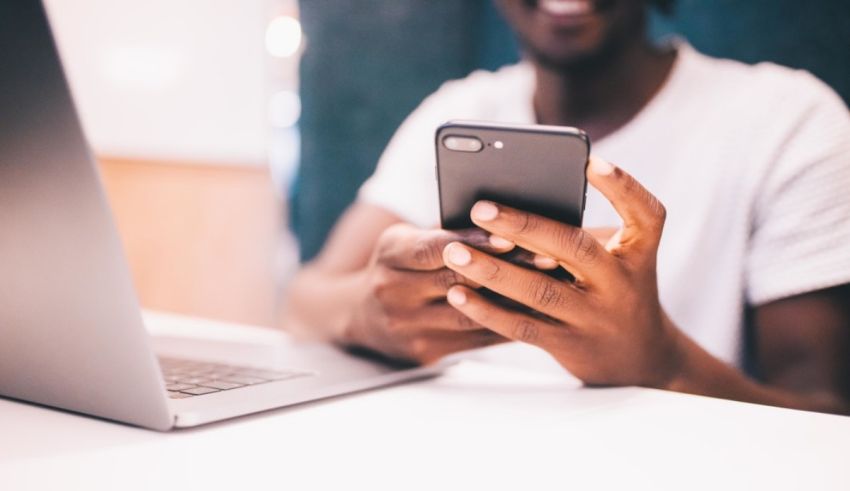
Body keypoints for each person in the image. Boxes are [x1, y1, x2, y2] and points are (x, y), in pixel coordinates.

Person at [285, 0, 850, 414]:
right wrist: (370, 312)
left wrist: (662, 363)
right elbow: (304, 302)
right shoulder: (459, 110)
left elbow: (825, 413)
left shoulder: (789, 120)